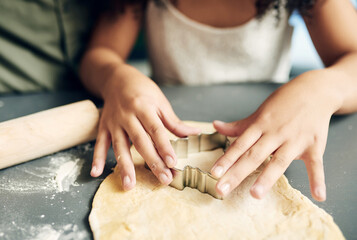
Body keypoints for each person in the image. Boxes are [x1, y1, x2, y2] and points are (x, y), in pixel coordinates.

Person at [80, 0, 357, 202]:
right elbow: (99, 54)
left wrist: (322, 89)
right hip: (170, 125)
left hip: (275, 131)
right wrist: (115, 77)